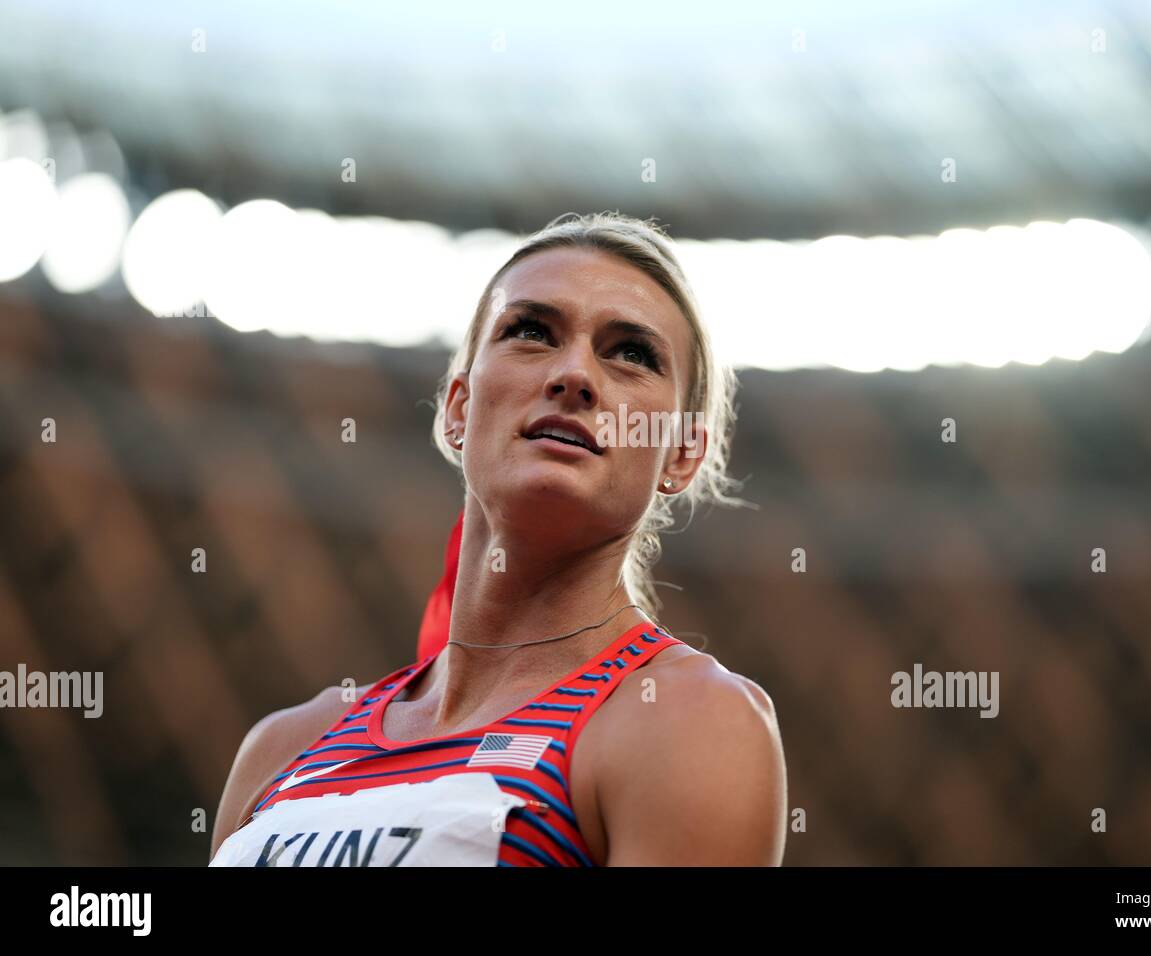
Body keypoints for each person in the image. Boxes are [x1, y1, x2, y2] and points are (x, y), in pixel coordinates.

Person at [209, 211, 787, 866]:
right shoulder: (283, 747)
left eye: (632, 354)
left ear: (682, 454)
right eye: (532, 332)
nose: (575, 376)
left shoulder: (686, 721)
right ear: (459, 408)